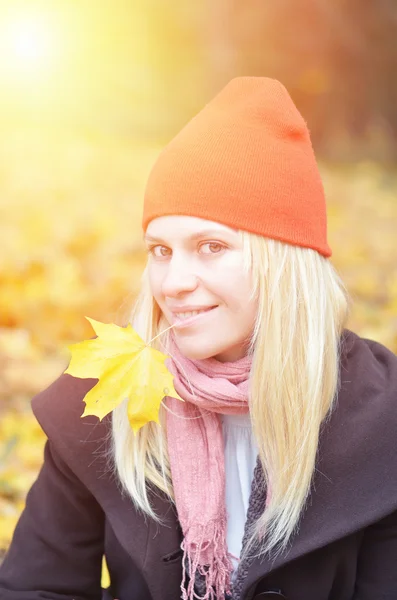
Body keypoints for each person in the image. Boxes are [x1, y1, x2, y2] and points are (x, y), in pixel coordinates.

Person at [0, 77, 396, 600]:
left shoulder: (380, 421)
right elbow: (37, 589)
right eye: (160, 250)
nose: (174, 282)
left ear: (285, 262)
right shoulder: (101, 405)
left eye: (210, 246)